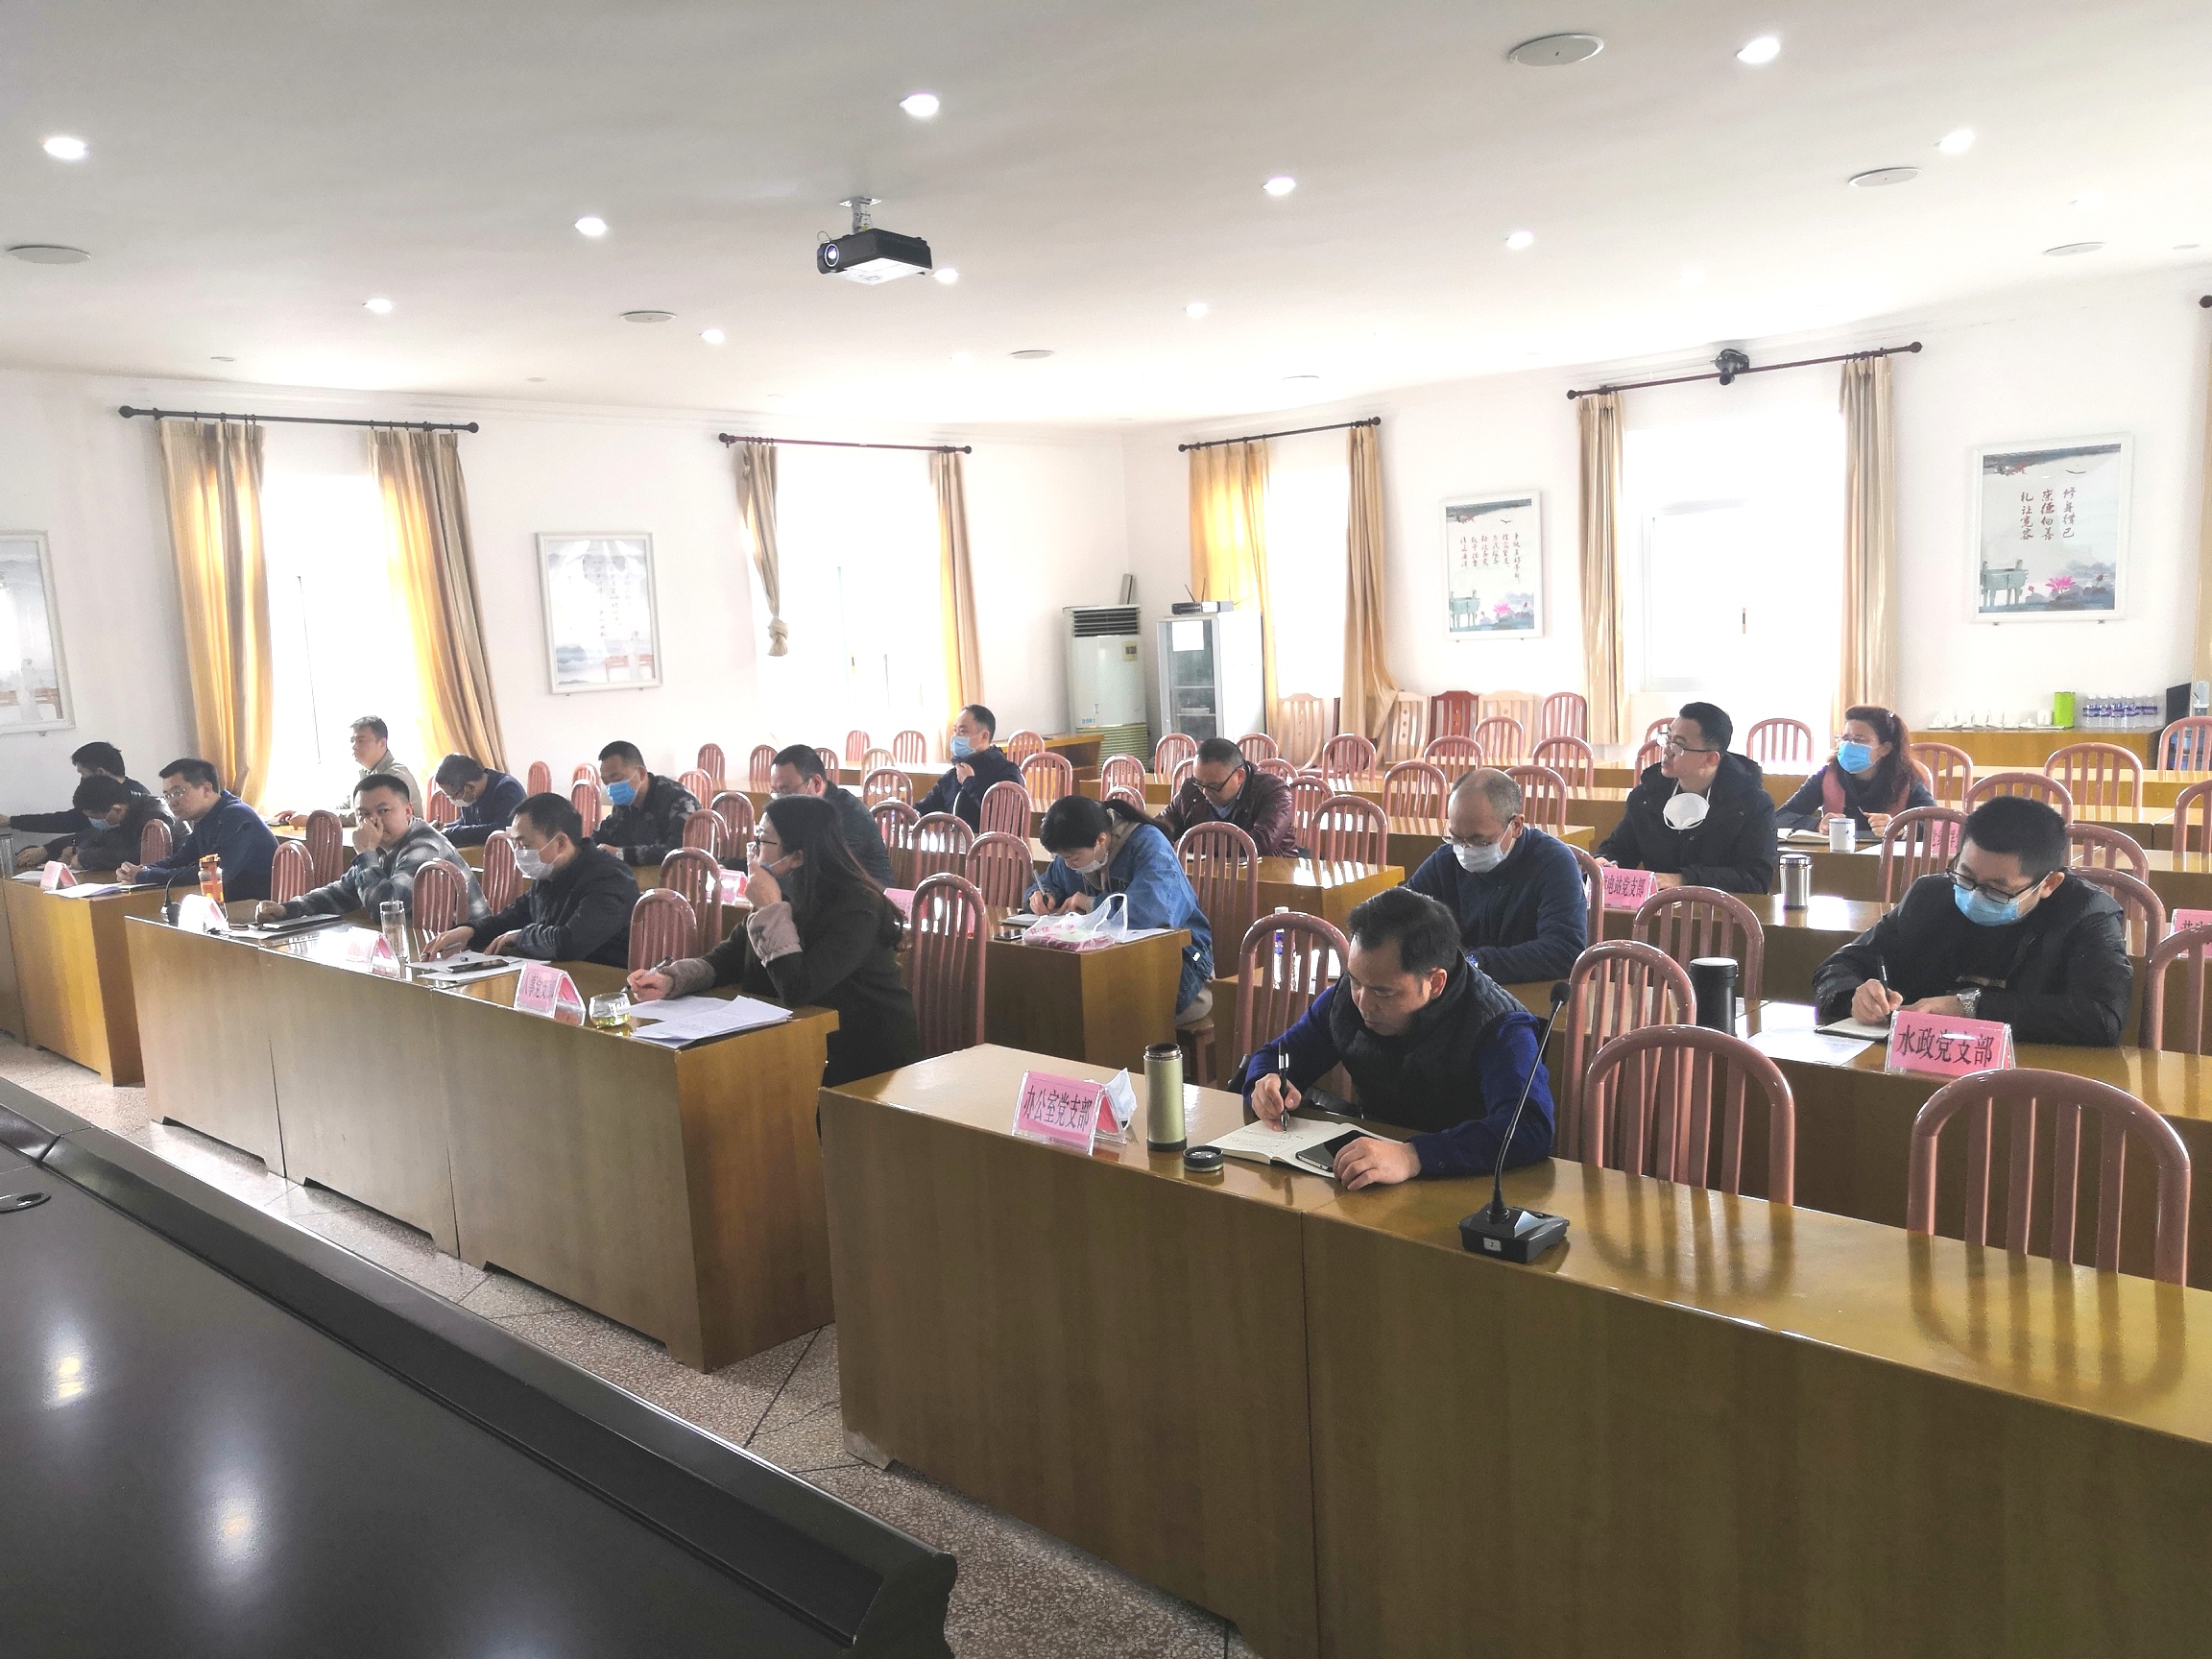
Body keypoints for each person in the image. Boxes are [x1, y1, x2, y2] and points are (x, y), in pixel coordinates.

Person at [1236, 886, 1552, 1189]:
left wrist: (1414, 1156)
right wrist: (1265, 1083)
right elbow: (1278, 1054)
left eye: (1383, 993)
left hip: (1468, 1182)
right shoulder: (1347, 998)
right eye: (1355, 980)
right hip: (1371, 1170)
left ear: (1435, 982)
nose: (1363, 1002)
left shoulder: (1499, 1024)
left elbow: (1528, 1127)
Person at [628, 794, 923, 1086]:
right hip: (799, 1040)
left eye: (762, 841)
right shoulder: (787, 892)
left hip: (866, 1055)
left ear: (798, 856)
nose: (753, 853)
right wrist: (672, 979)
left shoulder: (857, 906)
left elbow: (799, 987)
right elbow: (730, 957)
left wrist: (770, 908)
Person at [1812, 795, 2129, 1046]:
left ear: (2048, 884)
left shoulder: (2087, 914)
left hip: (2022, 1077)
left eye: (1997, 888)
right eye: (1965, 875)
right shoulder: (1930, 896)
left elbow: (2102, 1017)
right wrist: (1854, 996)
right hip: (1919, 1062)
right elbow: (1838, 965)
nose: (1974, 894)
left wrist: (1967, 1007)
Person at [1030, 793, 1214, 1028]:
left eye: (1072, 858)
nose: (1067, 865)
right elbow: (1050, 881)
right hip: (1110, 966)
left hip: (1179, 965)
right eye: (1060, 858)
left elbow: (1153, 912)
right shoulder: (1074, 847)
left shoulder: (1148, 844)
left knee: (1103, 1018)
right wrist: (1042, 894)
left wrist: (1091, 904)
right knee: (1060, 1007)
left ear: (1101, 840)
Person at [1406, 768, 1588, 983]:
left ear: (1516, 825)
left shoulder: (1554, 862)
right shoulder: (1445, 860)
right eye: (1455, 838)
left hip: (1528, 991)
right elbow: (1400, 915)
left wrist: (1474, 963)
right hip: (1461, 986)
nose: (1465, 849)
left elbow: (1565, 950)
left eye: (1479, 841)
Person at [427, 792, 638, 969]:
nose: (519, 852)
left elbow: (569, 943)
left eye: (525, 845)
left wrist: (522, 936)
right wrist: (471, 931)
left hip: (604, 982)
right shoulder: (550, 873)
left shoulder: (610, 878)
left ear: (560, 842)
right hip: (557, 974)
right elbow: (512, 917)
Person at [254, 773, 488, 926]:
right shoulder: (383, 845)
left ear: (408, 811)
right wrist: (288, 909)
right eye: (363, 814)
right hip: (428, 953)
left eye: (383, 811)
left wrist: (366, 853)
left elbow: (384, 910)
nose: (373, 821)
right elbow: (343, 892)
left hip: (469, 955)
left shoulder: (424, 847)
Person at [1595, 701, 1775, 894]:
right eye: (1668, 739)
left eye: (1679, 745)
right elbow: (1620, 849)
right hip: (1657, 908)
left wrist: (1683, 879)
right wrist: (1605, 861)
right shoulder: (1646, 797)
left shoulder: (1753, 804)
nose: (1667, 750)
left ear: (1711, 758)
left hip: (1721, 909)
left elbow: (1755, 879)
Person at [119, 758, 278, 901]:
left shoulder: (236, 815)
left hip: (257, 907)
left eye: (177, 792)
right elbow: (181, 859)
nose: (172, 802)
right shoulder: (205, 818)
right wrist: (143, 869)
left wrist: (147, 875)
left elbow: (214, 873)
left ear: (206, 789)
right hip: (229, 903)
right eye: (167, 795)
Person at [1776, 706, 1935, 835]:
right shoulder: (1829, 775)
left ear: (1885, 748)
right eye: (1845, 738)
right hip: (1837, 859)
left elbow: (1938, 824)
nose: (1848, 745)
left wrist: (1900, 828)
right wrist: (1817, 824)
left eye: (1859, 739)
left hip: (1890, 861)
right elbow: (1781, 816)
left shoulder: (1906, 779)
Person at [0, 741, 149, 868]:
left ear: (100, 772)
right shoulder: (99, 795)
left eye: (82, 774)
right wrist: (12, 821)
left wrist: (48, 849)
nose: (81, 780)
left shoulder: (132, 798)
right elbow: (66, 820)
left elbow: (96, 834)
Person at [763, 744, 895, 884]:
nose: (780, 801)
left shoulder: (848, 815)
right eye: (775, 792)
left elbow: (820, 870)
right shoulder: (802, 810)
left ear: (816, 783)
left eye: (786, 792)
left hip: (867, 893)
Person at [1153, 735, 1298, 855]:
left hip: (1271, 871)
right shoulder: (1191, 788)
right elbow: (1163, 824)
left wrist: (1191, 843)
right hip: (1207, 871)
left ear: (1239, 776)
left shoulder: (1274, 791)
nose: (1204, 792)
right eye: (1199, 783)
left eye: (1214, 786)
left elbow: (1261, 842)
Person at [272, 716, 421, 828]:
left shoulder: (395, 775)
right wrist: (313, 811)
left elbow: (364, 814)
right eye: (352, 741)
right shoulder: (365, 772)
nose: (354, 746)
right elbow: (349, 805)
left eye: (361, 740)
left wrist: (316, 818)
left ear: (382, 743)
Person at [915, 704, 1023, 830]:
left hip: (990, 842)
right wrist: (904, 814)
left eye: (963, 731)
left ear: (984, 736)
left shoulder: (1007, 771)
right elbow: (924, 808)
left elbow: (1001, 814)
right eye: (955, 731)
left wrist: (969, 782)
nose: (956, 737)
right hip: (954, 842)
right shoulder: (955, 772)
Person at [596, 740, 700, 867]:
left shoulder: (678, 799)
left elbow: (679, 851)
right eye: (606, 782)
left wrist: (621, 854)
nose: (611, 787)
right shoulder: (624, 804)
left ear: (641, 773)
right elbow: (604, 836)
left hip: (676, 876)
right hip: (637, 876)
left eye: (615, 777)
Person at [64, 774, 174, 874]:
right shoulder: (123, 813)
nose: (95, 822)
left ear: (117, 810)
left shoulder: (156, 816)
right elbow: (103, 838)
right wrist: (80, 849)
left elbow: (141, 857)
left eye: (97, 818)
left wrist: (86, 858)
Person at [433, 754, 526, 848]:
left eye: (454, 796)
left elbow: (502, 830)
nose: (453, 800)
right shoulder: (470, 794)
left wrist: (452, 833)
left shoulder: (508, 789)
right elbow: (466, 822)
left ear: (470, 787)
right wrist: (444, 827)